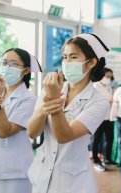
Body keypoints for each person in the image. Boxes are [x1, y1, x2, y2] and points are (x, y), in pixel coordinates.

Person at [27, 33, 109, 193]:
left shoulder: (98, 101)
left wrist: (53, 100)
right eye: (65, 57)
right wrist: (42, 109)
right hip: (42, 174)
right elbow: (32, 132)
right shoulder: (51, 89)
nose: (67, 62)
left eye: (73, 57)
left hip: (74, 183)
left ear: (91, 62)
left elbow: (64, 136)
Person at [0, 48, 42, 193]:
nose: (6, 67)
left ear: (26, 71)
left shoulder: (28, 99)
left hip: (14, 173)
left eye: (13, 64)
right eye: (4, 63)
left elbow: (5, 131)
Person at [92, 67, 115, 171]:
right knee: (97, 139)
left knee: (109, 138)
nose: (108, 78)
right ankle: (96, 160)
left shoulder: (109, 87)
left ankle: (107, 159)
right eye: (107, 76)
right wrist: (107, 102)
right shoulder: (95, 86)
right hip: (98, 117)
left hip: (108, 117)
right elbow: (93, 101)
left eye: (110, 77)